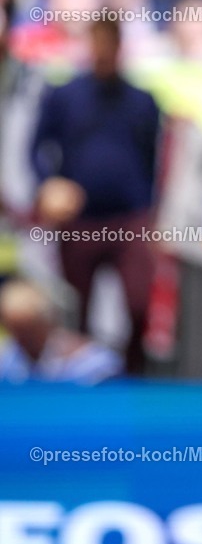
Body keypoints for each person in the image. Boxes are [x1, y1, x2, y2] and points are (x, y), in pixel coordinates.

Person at [30, 18, 161, 375]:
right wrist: (48, 183)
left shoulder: (142, 100)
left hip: (130, 218)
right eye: (97, 43)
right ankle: (78, 379)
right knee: (77, 307)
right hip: (79, 218)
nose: (103, 52)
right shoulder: (64, 95)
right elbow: (37, 147)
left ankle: (136, 374)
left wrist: (153, 211)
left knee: (138, 301)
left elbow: (155, 159)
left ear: (120, 47)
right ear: (89, 45)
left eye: (110, 44)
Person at [0, 277, 121, 384]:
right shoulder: (7, 359)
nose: (23, 339)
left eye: (29, 331)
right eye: (17, 331)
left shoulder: (91, 362)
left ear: (48, 324)